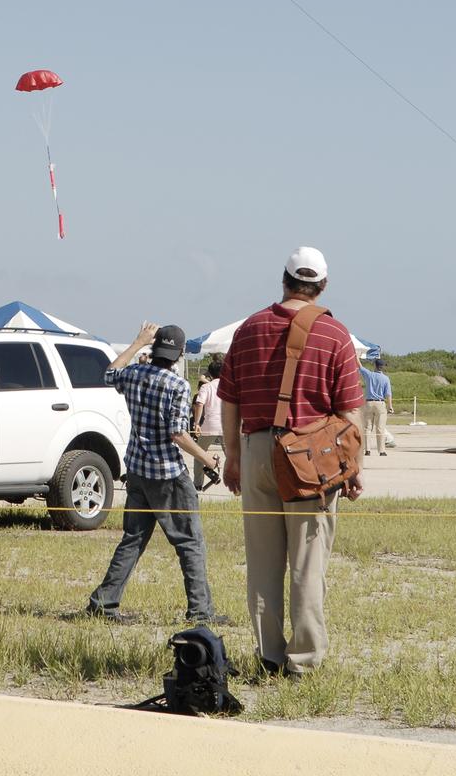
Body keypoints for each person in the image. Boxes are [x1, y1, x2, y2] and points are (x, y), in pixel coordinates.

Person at [219, 247, 364, 677]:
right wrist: (353, 468)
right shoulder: (335, 335)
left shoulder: (248, 329)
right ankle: (302, 662)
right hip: (310, 458)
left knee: (262, 561)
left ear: (283, 281)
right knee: (307, 562)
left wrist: (233, 456)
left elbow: (229, 399)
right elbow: (350, 413)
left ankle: (268, 656)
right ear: (322, 287)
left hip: (257, 448)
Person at [87, 322, 225, 625]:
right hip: (168, 476)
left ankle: (104, 602)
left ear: (155, 348)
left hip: (137, 470)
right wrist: (207, 459)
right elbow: (178, 433)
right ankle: (201, 611)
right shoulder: (178, 386)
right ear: (178, 355)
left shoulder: (135, 375)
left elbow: (110, 373)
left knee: (133, 539)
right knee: (190, 542)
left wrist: (137, 342)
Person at [191, 356, 225, 492]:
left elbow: (199, 404)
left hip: (210, 425)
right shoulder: (230, 386)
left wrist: (197, 423)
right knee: (234, 456)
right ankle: (240, 483)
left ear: (210, 374)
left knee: (199, 454)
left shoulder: (206, 386)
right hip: (226, 426)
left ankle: (198, 483)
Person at [359, 358, 394, 456]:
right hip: (380, 403)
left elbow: (360, 367)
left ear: (375, 365)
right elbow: (388, 394)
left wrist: (356, 357)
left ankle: (367, 450)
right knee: (380, 428)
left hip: (369, 403)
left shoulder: (369, 375)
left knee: (367, 427)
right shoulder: (386, 378)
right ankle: (381, 450)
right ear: (382, 367)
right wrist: (390, 406)